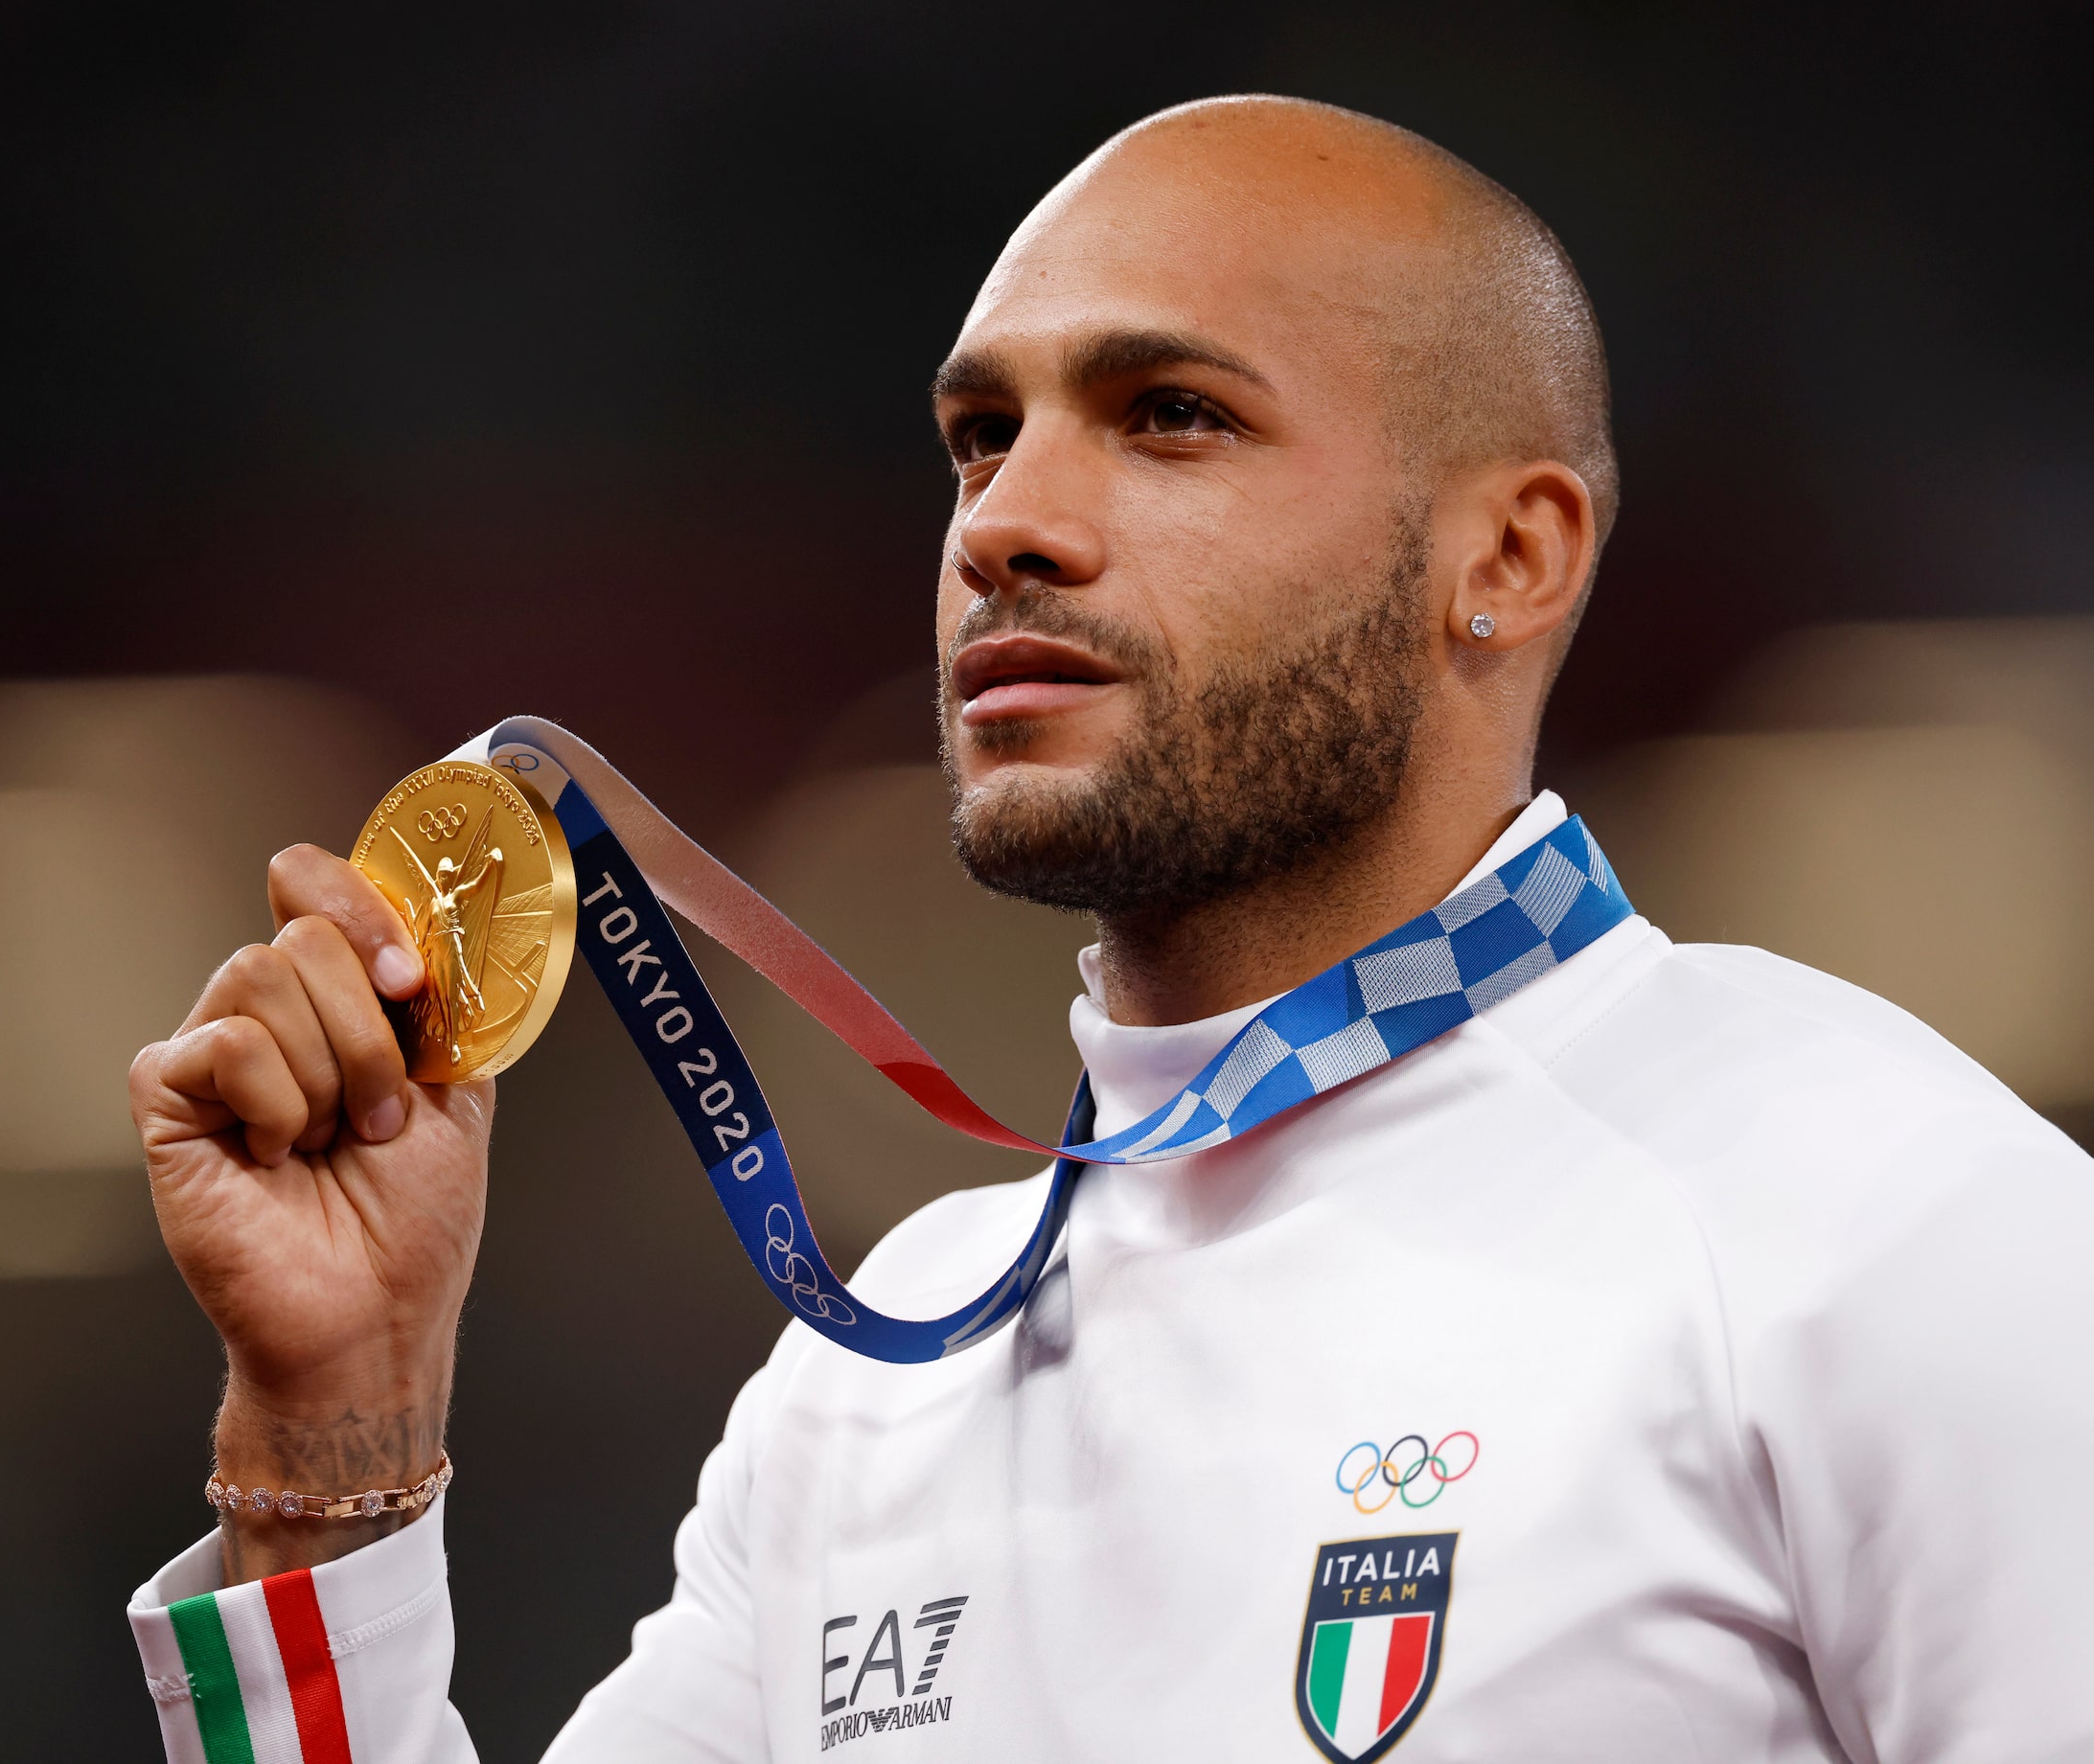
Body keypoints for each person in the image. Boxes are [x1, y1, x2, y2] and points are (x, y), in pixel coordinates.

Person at [123, 96, 2094, 1762]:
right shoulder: (870, 1393)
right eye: (980, 437)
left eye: (1166, 416)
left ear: (1504, 556)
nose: (1003, 523)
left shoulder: (1877, 1227)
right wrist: (330, 1445)